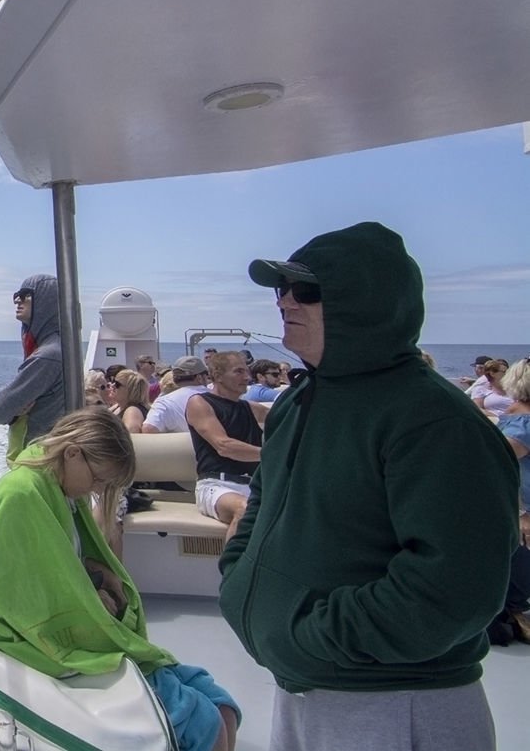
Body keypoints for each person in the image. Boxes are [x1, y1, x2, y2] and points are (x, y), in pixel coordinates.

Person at [219, 222, 519, 751]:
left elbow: (454, 588)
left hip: (393, 704)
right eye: (280, 288)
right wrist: (240, 579)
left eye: (305, 290)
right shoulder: (299, 401)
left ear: (363, 303)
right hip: (306, 688)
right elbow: (262, 501)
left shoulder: (431, 419)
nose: (285, 300)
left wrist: (313, 635)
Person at [0, 407, 241, 751]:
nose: (95, 491)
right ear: (72, 453)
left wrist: (99, 576)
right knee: (209, 723)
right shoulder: (21, 496)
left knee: (222, 705)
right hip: (33, 643)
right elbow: (15, 595)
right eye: (99, 481)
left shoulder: (59, 489)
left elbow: (52, 564)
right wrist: (92, 603)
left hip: (73, 623)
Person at [185, 352, 265, 541]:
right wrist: (272, 455)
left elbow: (290, 420)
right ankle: (233, 569)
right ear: (217, 375)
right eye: (238, 371)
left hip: (253, 485)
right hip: (216, 486)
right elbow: (224, 446)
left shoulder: (251, 408)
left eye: (247, 371)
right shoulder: (199, 403)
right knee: (245, 510)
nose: (247, 377)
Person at [0, 275, 65, 460]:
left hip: (37, 461)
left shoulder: (48, 356)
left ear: (46, 301)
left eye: (25, 295)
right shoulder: (59, 348)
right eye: (16, 295)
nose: (17, 300)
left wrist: (14, 410)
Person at [489, 359, 530, 645]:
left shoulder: (514, 415)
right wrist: (522, 512)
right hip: (524, 510)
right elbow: (501, 465)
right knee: (521, 563)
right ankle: (510, 614)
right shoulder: (523, 422)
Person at [142, 355, 208, 433]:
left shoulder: (164, 402)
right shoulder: (218, 396)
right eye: (206, 374)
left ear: (175, 379)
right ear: (200, 378)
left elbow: (148, 429)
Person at [110, 368, 153, 435]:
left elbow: (131, 435)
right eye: (113, 381)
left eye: (117, 384)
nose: (112, 385)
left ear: (132, 390)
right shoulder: (118, 406)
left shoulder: (132, 411)